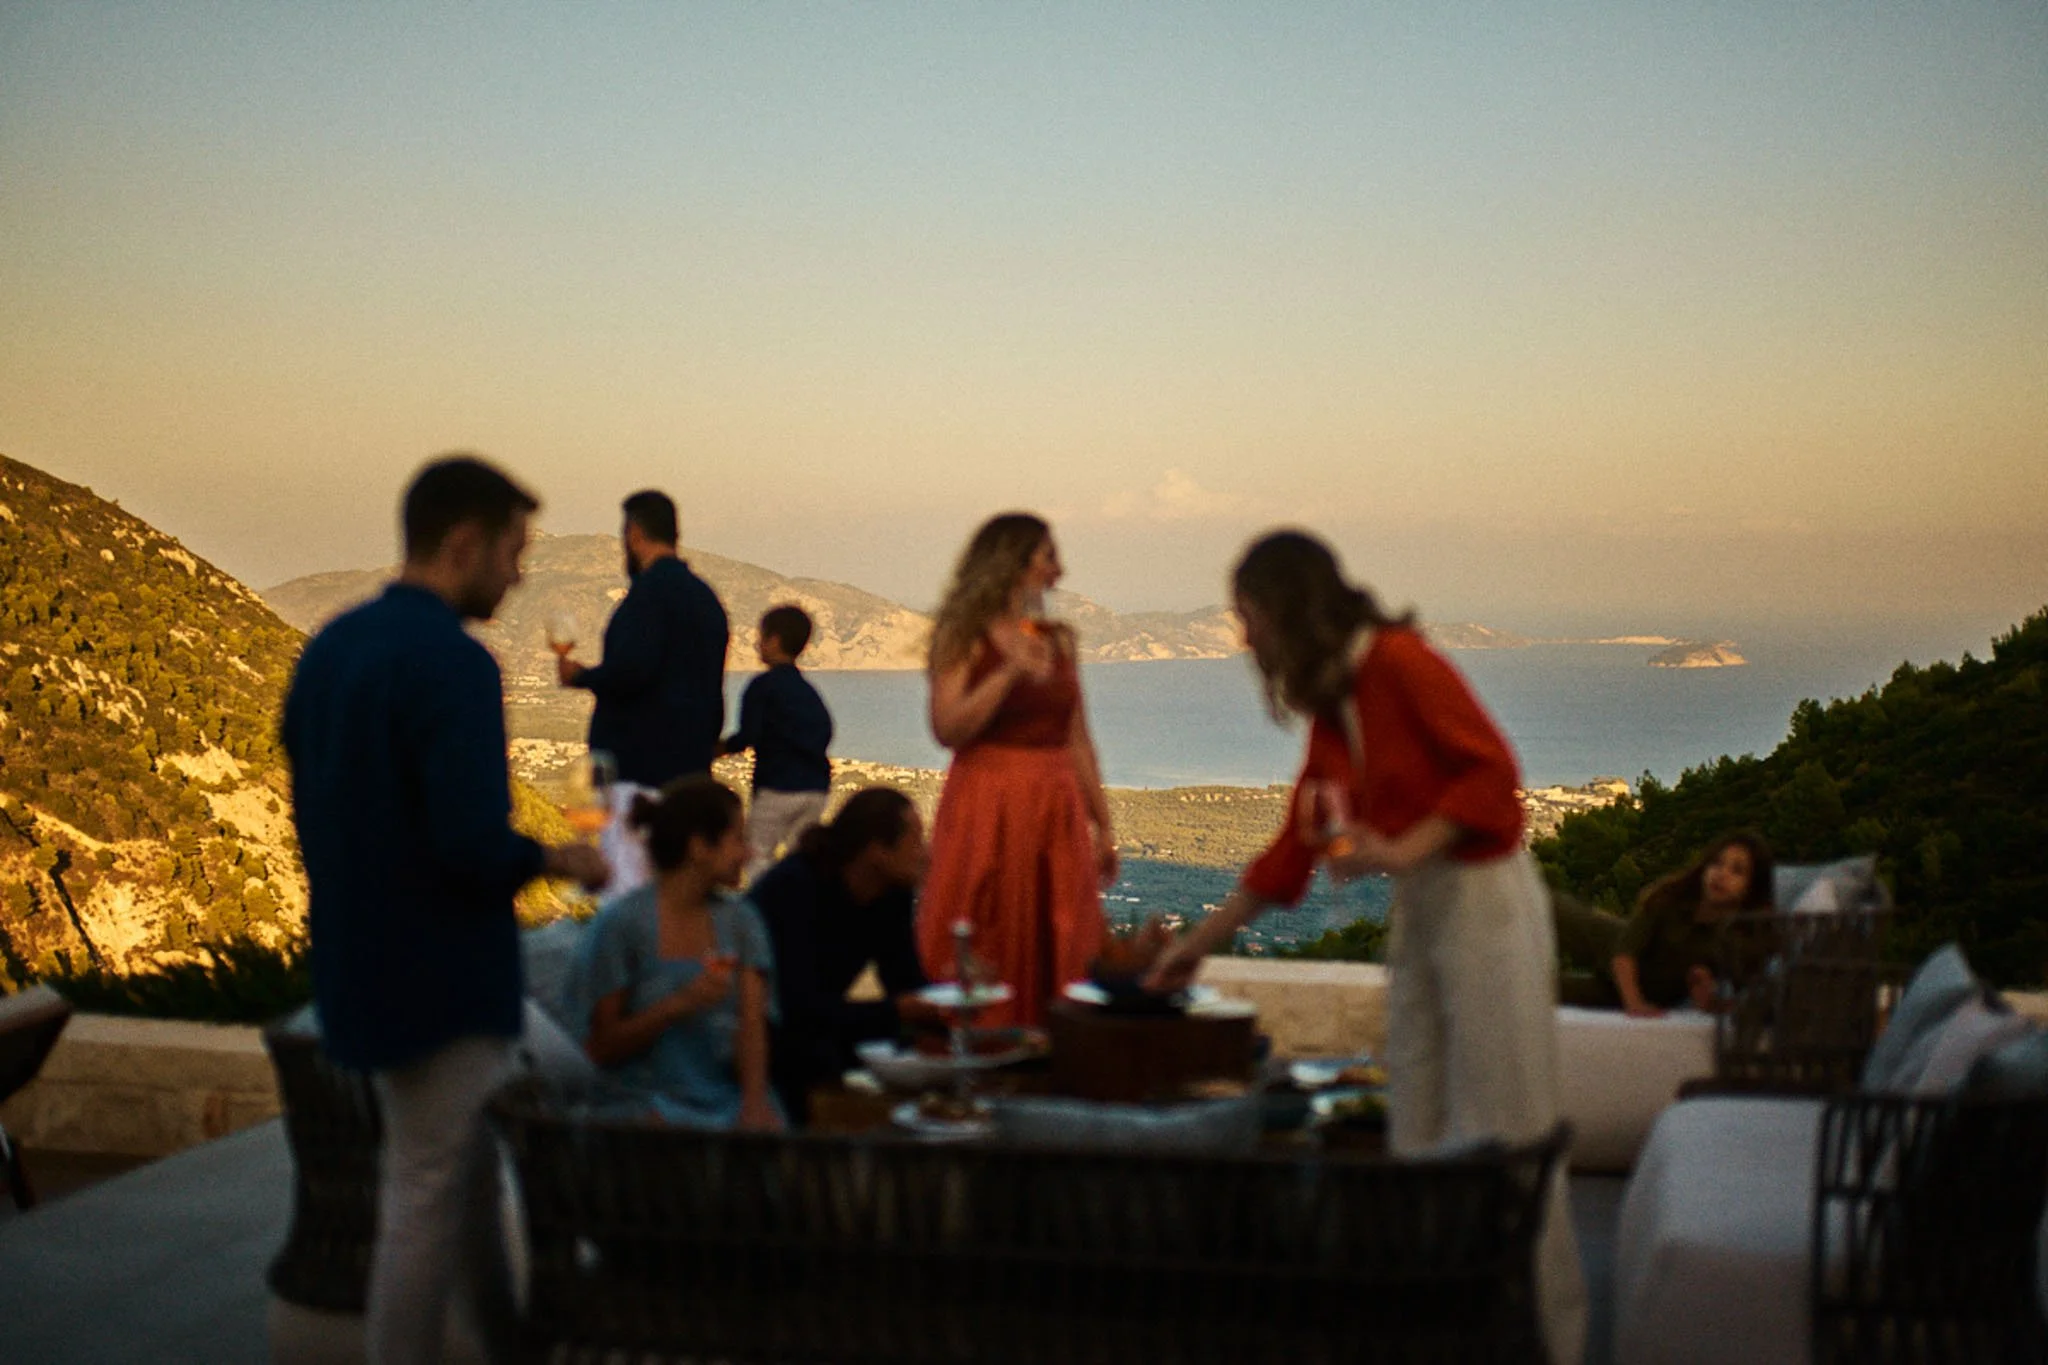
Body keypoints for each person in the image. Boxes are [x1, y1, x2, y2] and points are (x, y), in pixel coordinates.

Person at [1144, 529, 1586, 1365]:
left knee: (1510, 1128)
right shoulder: (1336, 701)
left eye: (1248, 615)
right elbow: (1292, 848)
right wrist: (1196, 947)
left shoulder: (1400, 662)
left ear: (1287, 607)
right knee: (1416, 1113)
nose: (1244, 636)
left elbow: (1493, 775)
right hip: (1424, 907)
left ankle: (1548, 1341)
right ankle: (1446, 1326)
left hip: (1485, 902)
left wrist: (1401, 847)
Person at [282, 454, 609, 1365]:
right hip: (442, 976)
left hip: (359, 962)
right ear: (464, 542)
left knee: (458, 1185)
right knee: (424, 1196)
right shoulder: (455, 663)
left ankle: (507, 1344)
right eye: (513, 551)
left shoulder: (332, 647)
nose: (519, 574)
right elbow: (469, 844)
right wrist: (559, 856)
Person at [915, 513, 1114, 1028]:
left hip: (1055, 806)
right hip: (989, 803)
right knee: (989, 924)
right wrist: (1007, 673)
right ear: (1012, 563)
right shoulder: (963, 636)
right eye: (1048, 557)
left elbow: (1077, 737)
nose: (1058, 572)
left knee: (1061, 931)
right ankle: (986, 1040)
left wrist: (1103, 822)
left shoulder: (1060, 641)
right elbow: (947, 727)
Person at [563, 775, 783, 1131]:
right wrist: (679, 1004)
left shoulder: (742, 923)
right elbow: (599, 1047)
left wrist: (754, 1104)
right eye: (738, 840)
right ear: (699, 847)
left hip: (725, 1102)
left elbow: (752, 1025)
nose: (749, 854)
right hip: (639, 1102)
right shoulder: (624, 925)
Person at [749, 787, 935, 1123]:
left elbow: (904, 981)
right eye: (915, 842)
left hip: (819, 1025)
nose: (926, 854)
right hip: (762, 1032)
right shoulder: (795, 889)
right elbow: (796, 1007)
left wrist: (955, 996)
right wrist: (898, 1010)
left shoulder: (891, 893)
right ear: (877, 851)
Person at [557, 489, 729, 788]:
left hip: (639, 773)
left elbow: (632, 670)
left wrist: (581, 676)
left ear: (634, 534)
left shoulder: (647, 596)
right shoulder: (707, 600)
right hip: (692, 770)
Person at [1554, 832, 1776, 1016]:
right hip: (1613, 947)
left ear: (1752, 886)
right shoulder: (1672, 897)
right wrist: (1635, 1004)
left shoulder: (1741, 937)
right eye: (1717, 863)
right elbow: (1625, 952)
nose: (1722, 874)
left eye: (1737, 871)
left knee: (1544, 991)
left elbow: (1743, 999)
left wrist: (1708, 998)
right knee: (1554, 909)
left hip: (1635, 990)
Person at [720, 604, 835, 884]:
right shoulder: (808, 692)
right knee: (803, 862)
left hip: (777, 786)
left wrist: (717, 749)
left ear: (773, 641)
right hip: (815, 788)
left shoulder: (763, 686)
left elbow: (747, 736)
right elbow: (825, 730)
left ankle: (763, 910)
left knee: (758, 856)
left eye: (761, 637)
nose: (757, 644)